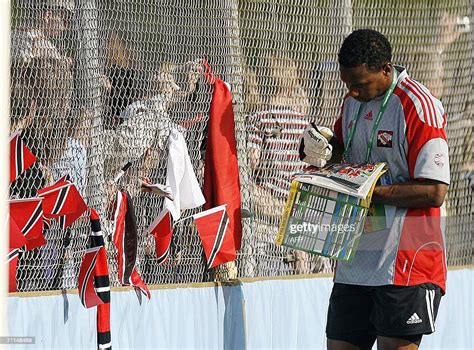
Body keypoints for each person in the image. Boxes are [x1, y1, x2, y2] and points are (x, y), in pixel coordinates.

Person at [300, 29, 450, 349]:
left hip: (406, 264)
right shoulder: (352, 102)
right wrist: (324, 148)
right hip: (354, 258)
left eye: (360, 85)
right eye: (348, 85)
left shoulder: (419, 106)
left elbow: (435, 190)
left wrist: (366, 192)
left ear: (385, 69)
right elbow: (346, 154)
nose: (353, 93)